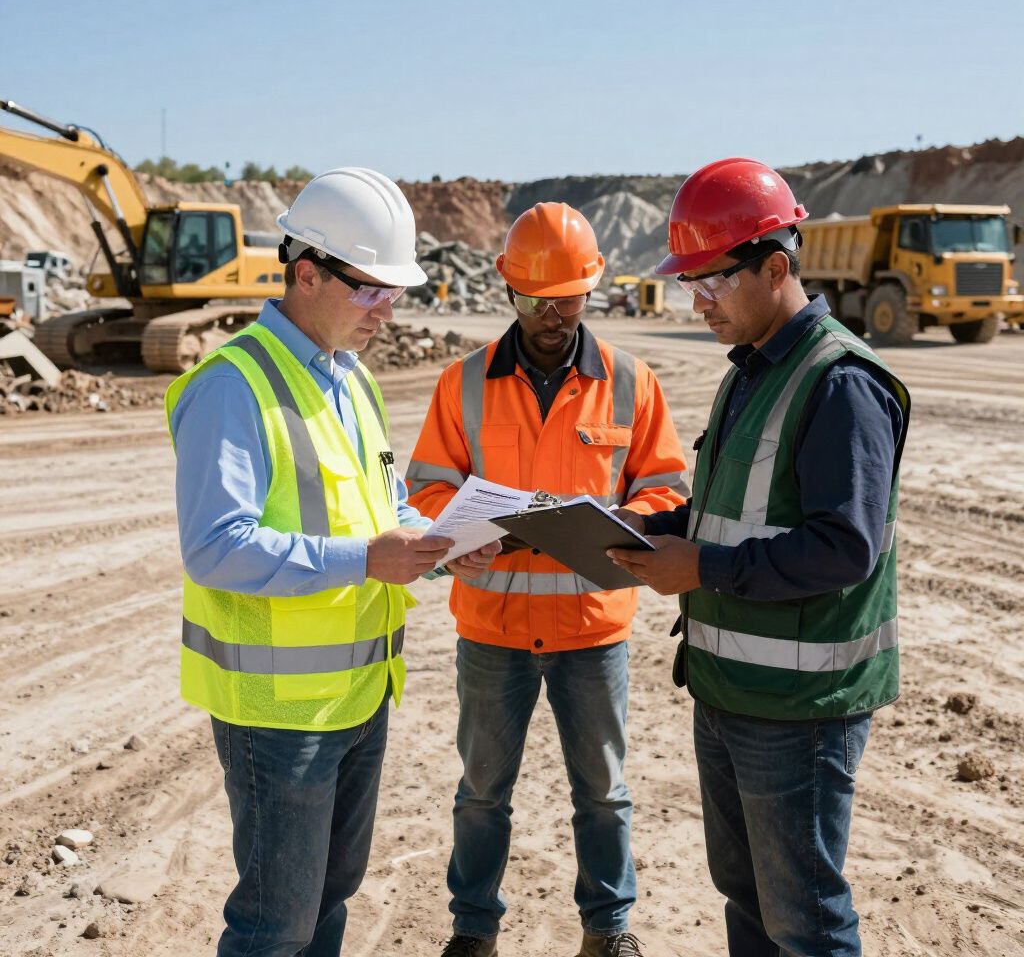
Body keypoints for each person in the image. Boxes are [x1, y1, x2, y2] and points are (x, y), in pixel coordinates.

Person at [166, 167, 496, 957]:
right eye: (371, 290)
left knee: (329, 903)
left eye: (394, 293)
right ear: (306, 272)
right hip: (279, 714)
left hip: (358, 698)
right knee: (273, 925)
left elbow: (383, 513)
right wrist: (363, 560)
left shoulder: (353, 382)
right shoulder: (232, 386)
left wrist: (448, 545)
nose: (386, 310)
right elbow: (215, 546)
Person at [608, 158, 911, 957]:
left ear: (777, 267)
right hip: (730, 689)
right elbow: (731, 513)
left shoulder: (840, 384)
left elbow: (843, 547)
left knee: (804, 920)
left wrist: (699, 568)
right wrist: (641, 528)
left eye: (713, 281)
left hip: (801, 710)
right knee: (746, 903)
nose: (697, 301)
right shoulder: (749, 372)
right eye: (689, 285)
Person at [405, 202, 689, 957]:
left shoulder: (632, 383)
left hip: (593, 630)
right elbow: (427, 487)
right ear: (508, 291)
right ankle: (473, 931)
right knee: (481, 795)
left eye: (567, 298)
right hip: (491, 628)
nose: (552, 314)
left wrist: (622, 518)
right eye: (536, 300)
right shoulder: (461, 384)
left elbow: (665, 487)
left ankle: (608, 930)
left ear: (590, 289)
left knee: (603, 795)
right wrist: (450, 536)